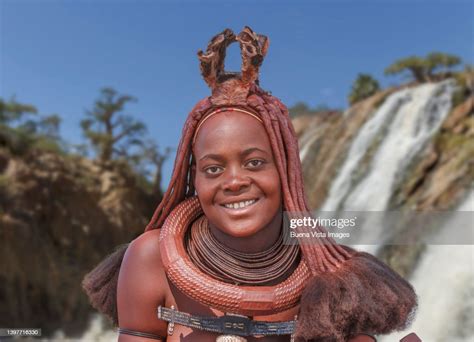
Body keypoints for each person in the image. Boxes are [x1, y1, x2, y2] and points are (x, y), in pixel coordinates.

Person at [83, 27, 418, 342]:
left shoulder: (334, 280)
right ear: (194, 178)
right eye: (213, 169)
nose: (234, 182)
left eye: (254, 163)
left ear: (284, 169)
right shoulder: (150, 259)